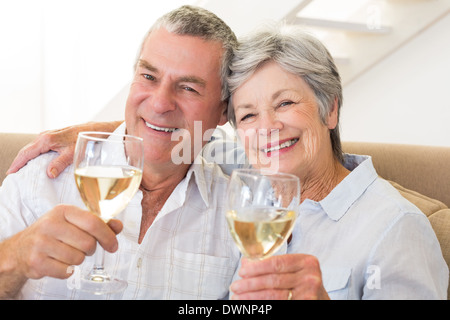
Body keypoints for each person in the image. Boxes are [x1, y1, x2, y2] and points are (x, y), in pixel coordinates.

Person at [7, 26, 449, 300]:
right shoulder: (253, 191)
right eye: (250, 114)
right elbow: (174, 129)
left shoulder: (396, 227)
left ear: (330, 109)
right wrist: (117, 131)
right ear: (232, 125)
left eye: (287, 102)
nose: (268, 128)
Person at [0, 5, 242, 299]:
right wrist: (14, 257)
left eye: (189, 88)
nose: (159, 103)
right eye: (149, 77)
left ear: (223, 111)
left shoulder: (239, 214)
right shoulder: (41, 178)